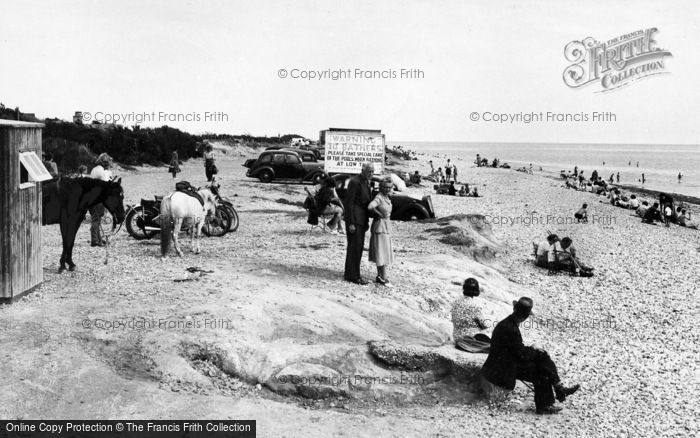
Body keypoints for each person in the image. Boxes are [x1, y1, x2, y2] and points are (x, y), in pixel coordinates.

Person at [481, 298, 580, 415]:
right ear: (525, 317)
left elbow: (516, 349)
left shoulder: (507, 323)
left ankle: (555, 393)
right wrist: (536, 351)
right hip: (503, 368)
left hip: (504, 362)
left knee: (542, 363)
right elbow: (521, 354)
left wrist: (534, 351)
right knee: (541, 365)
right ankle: (554, 394)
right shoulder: (511, 329)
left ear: (514, 309)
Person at [344, 163, 374, 285]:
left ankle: (351, 273)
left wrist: (366, 220)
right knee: (355, 248)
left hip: (361, 220)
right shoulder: (355, 181)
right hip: (355, 220)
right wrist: (351, 222)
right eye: (369, 171)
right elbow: (349, 203)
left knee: (358, 248)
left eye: (372, 171)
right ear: (363, 170)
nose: (371, 174)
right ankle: (353, 276)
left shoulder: (365, 182)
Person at [367, 178, 395, 286]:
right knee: (381, 252)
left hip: (385, 226)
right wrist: (377, 213)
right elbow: (370, 206)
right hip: (380, 227)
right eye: (385, 187)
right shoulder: (379, 197)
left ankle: (380, 276)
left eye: (389, 187)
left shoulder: (386, 197)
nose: (388, 189)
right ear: (381, 187)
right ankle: (384, 277)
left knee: (382, 251)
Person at [451, 278, 490, 352]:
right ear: (476, 291)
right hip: (469, 340)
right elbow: (484, 325)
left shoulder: (455, 302)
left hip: (457, 338)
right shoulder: (474, 305)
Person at [89, 153, 114, 247]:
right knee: (96, 219)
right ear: (105, 163)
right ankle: (95, 240)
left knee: (96, 219)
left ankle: (98, 238)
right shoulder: (102, 172)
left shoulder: (96, 169)